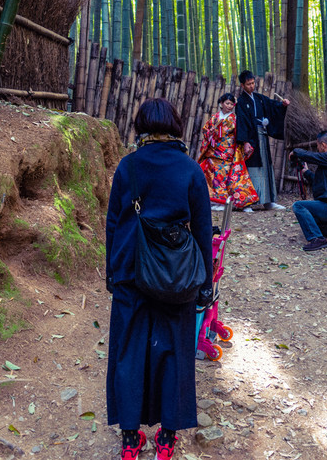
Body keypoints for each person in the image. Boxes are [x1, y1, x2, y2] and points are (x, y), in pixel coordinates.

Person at [105, 98, 214, 460]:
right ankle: (166, 440)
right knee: (174, 352)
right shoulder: (190, 170)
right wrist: (205, 282)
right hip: (177, 276)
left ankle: (130, 440)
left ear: (141, 127)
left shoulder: (128, 167)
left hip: (131, 270)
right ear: (175, 125)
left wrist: (112, 271)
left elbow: (112, 224)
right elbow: (202, 230)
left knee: (129, 353)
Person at [234, 70, 289, 210]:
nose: (252, 86)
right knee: (252, 169)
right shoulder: (241, 102)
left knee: (265, 167)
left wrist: (282, 105)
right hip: (251, 139)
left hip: (262, 136)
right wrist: (245, 141)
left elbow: (272, 106)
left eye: (253, 83)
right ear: (242, 85)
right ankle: (248, 202)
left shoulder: (258, 98)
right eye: (248, 84)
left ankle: (268, 201)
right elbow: (242, 121)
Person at [197, 93, 259, 213]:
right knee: (214, 178)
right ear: (221, 103)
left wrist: (246, 143)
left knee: (230, 177)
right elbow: (205, 129)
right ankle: (216, 201)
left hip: (228, 152)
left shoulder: (234, 119)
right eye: (227, 103)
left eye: (231, 104)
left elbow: (241, 133)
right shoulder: (215, 118)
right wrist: (212, 132)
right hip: (213, 152)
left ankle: (239, 202)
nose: (229, 106)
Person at [289, 131, 327, 252]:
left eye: (317, 145)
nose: (317, 148)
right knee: (309, 211)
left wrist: (295, 151)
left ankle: (317, 239)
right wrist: (306, 172)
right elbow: (318, 182)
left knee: (298, 206)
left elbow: (312, 157)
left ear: (323, 144)